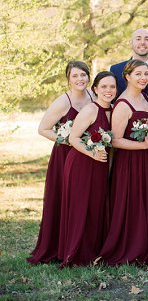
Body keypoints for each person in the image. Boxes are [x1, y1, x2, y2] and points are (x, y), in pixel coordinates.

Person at [29, 61, 94, 264]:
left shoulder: (93, 96)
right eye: (75, 76)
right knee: (65, 198)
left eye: (83, 75)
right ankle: (60, 246)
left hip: (89, 155)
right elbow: (43, 128)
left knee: (86, 200)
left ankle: (85, 242)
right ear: (68, 78)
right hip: (65, 155)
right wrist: (68, 138)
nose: (80, 79)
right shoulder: (63, 102)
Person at [100, 59, 148, 265]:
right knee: (131, 203)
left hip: (147, 160)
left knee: (145, 201)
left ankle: (145, 245)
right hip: (129, 162)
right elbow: (115, 140)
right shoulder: (123, 104)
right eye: (138, 74)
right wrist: (141, 146)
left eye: (146, 74)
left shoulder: (145, 97)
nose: (143, 78)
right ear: (127, 77)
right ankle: (129, 248)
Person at [58, 71, 115, 266]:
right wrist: (92, 154)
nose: (109, 91)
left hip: (100, 166)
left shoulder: (115, 109)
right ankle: (75, 253)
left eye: (112, 87)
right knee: (80, 207)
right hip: (81, 163)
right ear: (96, 89)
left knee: (96, 207)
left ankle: (93, 251)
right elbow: (73, 138)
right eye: (104, 87)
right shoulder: (91, 110)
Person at [110, 28, 148, 100]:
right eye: (138, 39)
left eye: (147, 39)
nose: (142, 42)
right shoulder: (116, 70)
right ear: (131, 43)